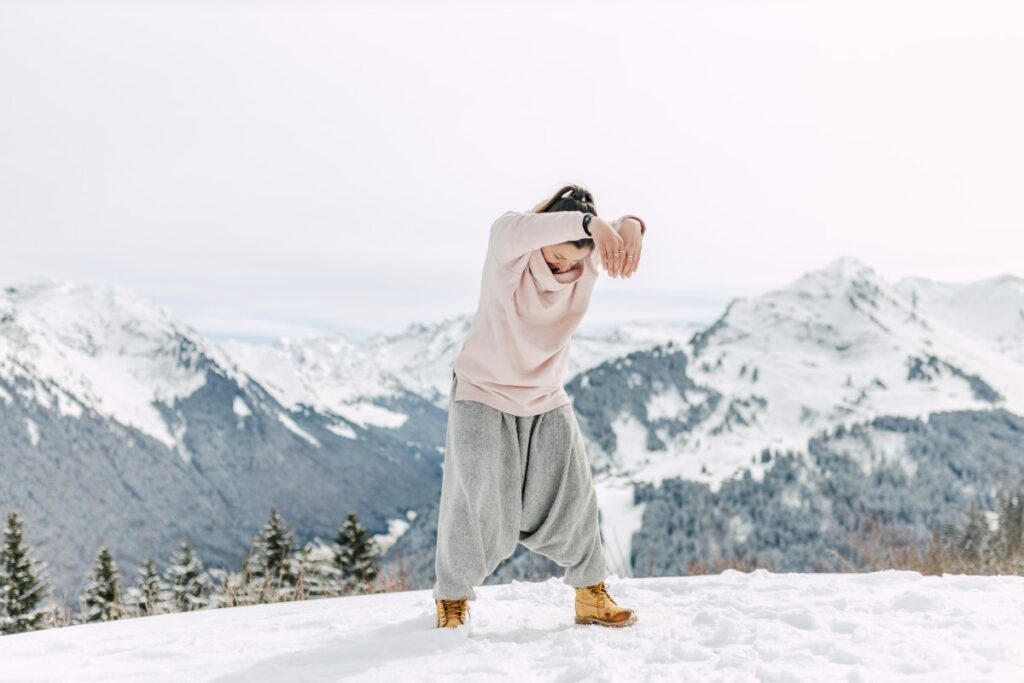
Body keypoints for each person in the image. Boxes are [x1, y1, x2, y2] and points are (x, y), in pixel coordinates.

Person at [433, 185, 647, 630]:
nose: (566, 267)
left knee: (574, 496)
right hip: (483, 389)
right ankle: (452, 599)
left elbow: (626, 227)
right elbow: (515, 227)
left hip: (545, 394)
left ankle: (591, 594)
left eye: (574, 262)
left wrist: (631, 226)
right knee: (475, 499)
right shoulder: (511, 248)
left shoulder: (585, 258)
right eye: (557, 259)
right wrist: (592, 224)